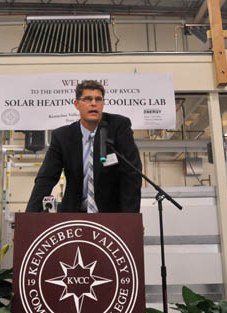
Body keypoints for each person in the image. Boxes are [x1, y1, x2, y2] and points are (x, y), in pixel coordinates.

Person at [25, 80, 142, 213]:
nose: (93, 103)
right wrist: (28, 217)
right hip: (74, 214)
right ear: (76, 104)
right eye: (87, 99)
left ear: (103, 104)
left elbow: (131, 175)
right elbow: (46, 178)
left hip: (112, 215)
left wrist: (131, 219)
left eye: (98, 99)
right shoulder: (62, 136)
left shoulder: (118, 127)